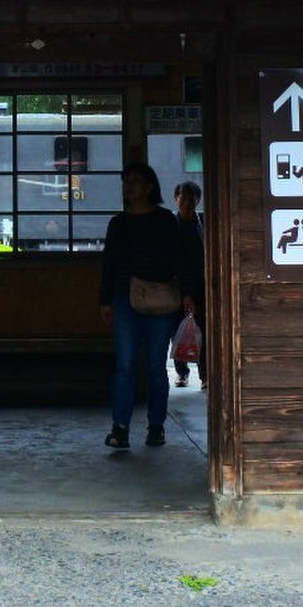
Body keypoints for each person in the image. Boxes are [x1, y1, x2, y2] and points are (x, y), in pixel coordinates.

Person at [99, 163, 196, 449]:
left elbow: (180, 258)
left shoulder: (165, 219)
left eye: (135, 181)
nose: (128, 186)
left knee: (155, 367)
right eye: (125, 181)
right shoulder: (118, 223)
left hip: (162, 297)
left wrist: (187, 293)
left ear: (149, 186)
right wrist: (104, 299)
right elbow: (109, 264)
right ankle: (120, 427)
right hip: (125, 298)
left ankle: (156, 426)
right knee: (125, 365)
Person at [173, 181, 207, 389]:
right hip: (177, 285)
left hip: (201, 283)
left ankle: (205, 375)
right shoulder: (171, 225)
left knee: (202, 329)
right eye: (182, 197)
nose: (186, 201)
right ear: (175, 200)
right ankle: (182, 372)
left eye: (191, 197)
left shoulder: (202, 221)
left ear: (198, 199)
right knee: (179, 330)